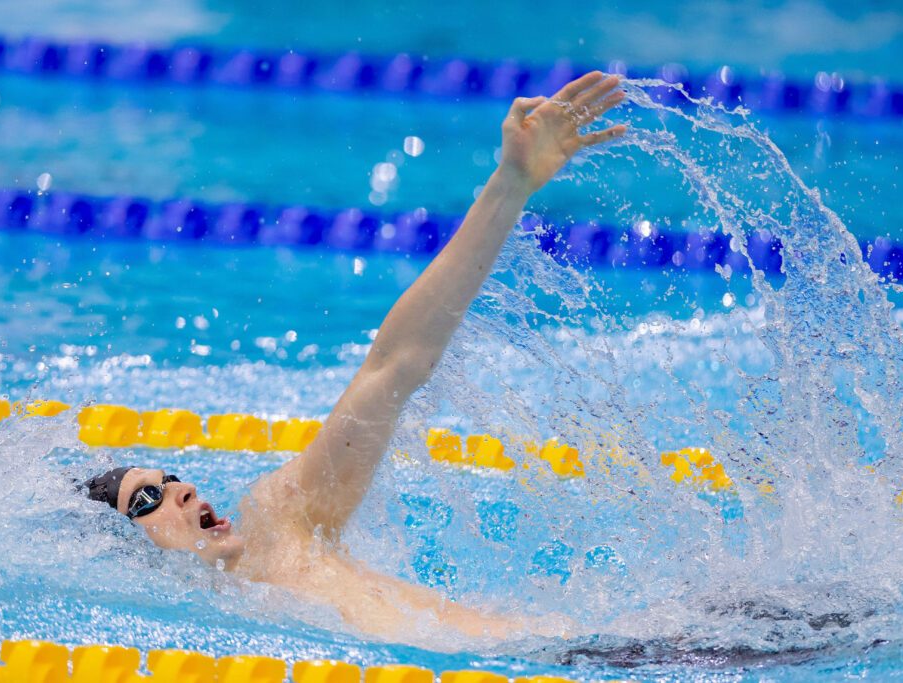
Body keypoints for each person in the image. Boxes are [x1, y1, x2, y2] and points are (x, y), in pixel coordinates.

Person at [83, 72, 626, 644]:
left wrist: (510, 183)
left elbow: (395, 366)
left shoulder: (281, 524)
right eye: (149, 499)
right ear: (124, 553)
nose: (183, 489)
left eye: (169, 478)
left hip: (604, 656)